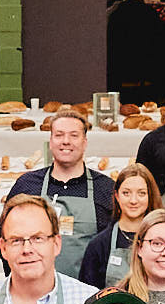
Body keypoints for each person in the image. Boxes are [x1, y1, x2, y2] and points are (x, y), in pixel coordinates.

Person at [13, 107, 109, 255]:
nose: (66, 141)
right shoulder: (27, 185)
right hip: (34, 278)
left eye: (74, 135)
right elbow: (4, 235)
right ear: (50, 142)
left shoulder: (105, 188)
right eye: (59, 135)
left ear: (85, 143)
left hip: (88, 279)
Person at [77, 164, 163, 289]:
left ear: (150, 196)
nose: (133, 200)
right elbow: (87, 295)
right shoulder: (99, 245)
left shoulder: (164, 241)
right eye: (126, 193)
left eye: (141, 193)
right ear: (117, 196)